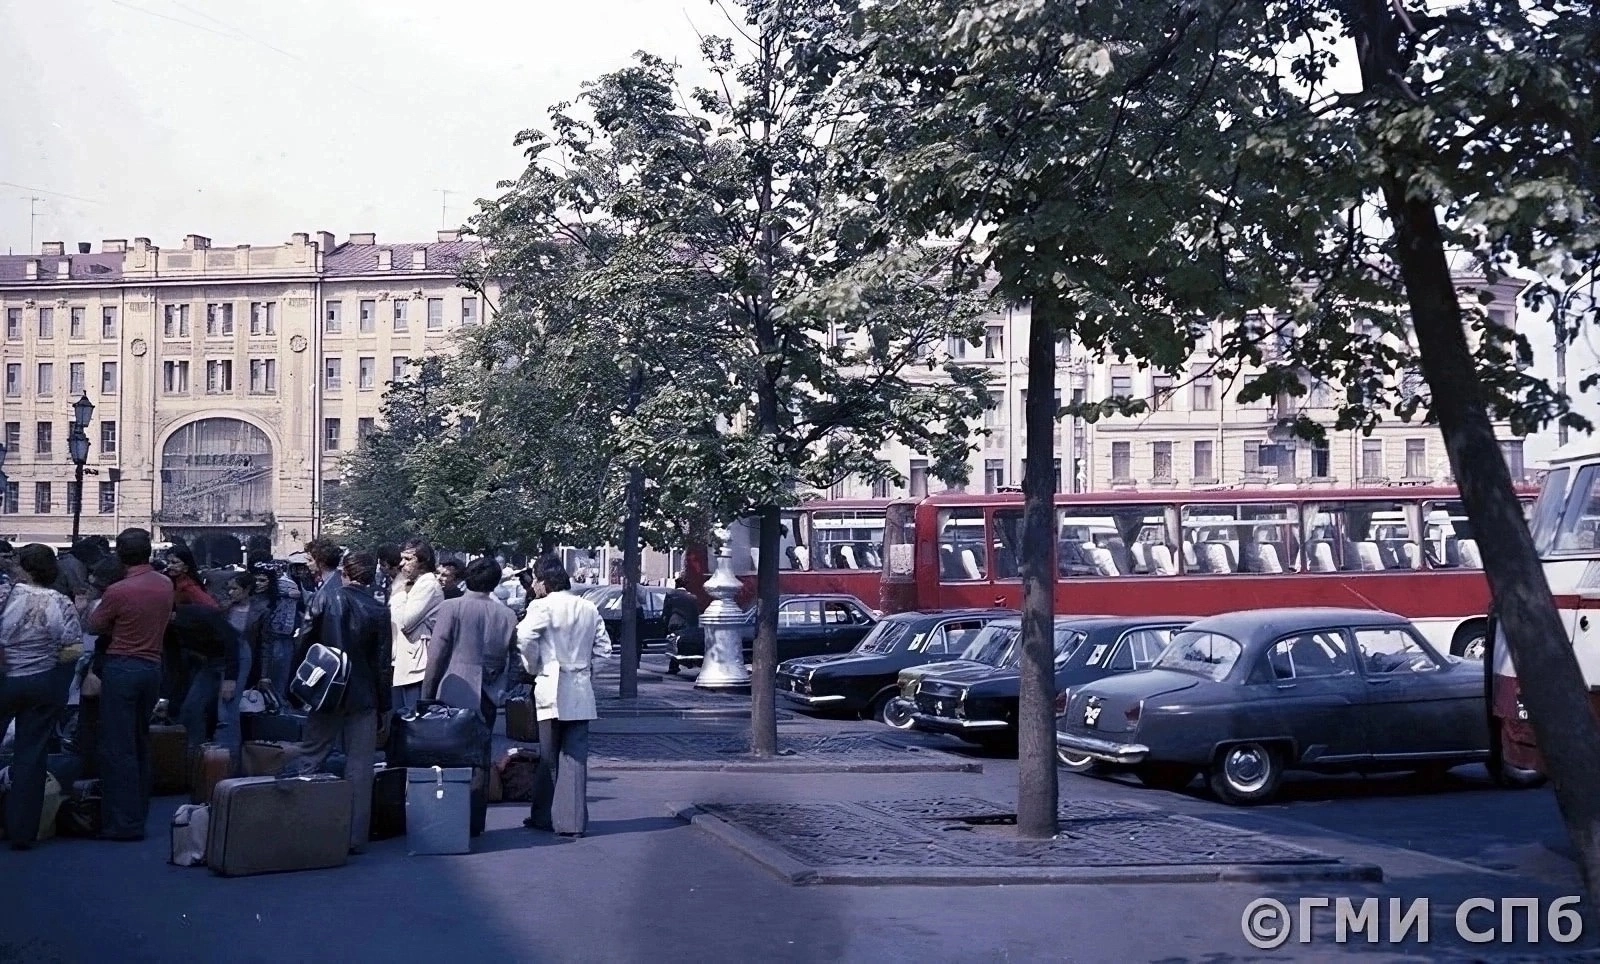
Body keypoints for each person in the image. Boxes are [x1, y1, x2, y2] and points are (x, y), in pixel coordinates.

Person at [292, 552, 391, 854]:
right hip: (362, 694)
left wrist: (296, 685)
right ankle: (354, 836)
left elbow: (304, 639)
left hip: (325, 689)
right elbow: (382, 665)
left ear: (345, 573)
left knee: (312, 754)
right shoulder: (378, 609)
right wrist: (384, 706)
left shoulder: (326, 597)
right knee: (360, 765)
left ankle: (301, 825)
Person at [86, 528, 174, 842]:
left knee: (118, 745)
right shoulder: (164, 584)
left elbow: (94, 626)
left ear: (120, 554)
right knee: (139, 739)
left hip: (122, 665)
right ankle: (137, 813)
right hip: (152, 665)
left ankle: (122, 821)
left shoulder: (118, 591)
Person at [517, 556, 612, 838]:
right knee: (576, 757)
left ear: (544, 582)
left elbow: (524, 637)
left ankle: (544, 815)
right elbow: (604, 649)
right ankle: (572, 821)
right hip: (580, 687)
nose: (533, 586)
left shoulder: (541, 606)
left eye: (535, 580)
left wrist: (533, 666)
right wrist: (588, 672)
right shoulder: (588, 607)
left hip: (551, 684)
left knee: (548, 757)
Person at [0, 545, 84, 849]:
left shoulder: (4, 595)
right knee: (31, 756)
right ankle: (22, 831)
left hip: (5, 678)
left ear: (24, 568)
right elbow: (73, 648)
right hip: (42, 682)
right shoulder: (61, 602)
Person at [422, 557, 516, 731]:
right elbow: (514, 659)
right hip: (490, 694)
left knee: (450, 743)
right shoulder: (508, 615)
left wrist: (427, 694)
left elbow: (436, 655)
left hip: (453, 690)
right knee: (482, 742)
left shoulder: (450, 607)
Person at [169, 603, 242, 755]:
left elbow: (230, 640)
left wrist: (230, 678)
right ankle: (194, 754)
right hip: (212, 660)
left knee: (227, 712)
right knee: (191, 707)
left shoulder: (196, 614)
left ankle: (228, 758)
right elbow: (175, 663)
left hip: (234, 655)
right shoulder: (171, 628)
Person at [387, 540, 442, 712]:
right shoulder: (416, 584)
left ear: (423, 562)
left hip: (416, 663)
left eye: (408, 559)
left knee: (412, 715)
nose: (402, 564)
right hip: (406, 659)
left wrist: (398, 592)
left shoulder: (428, 584)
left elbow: (405, 621)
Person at [250, 559, 303, 700]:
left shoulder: (281, 591)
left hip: (277, 641)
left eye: (262, 580)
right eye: (256, 580)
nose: (258, 583)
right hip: (257, 647)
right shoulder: (249, 599)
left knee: (276, 687)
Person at [304, 539, 345, 619]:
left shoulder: (331, 588)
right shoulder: (338, 579)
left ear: (321, 562)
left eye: (310, 560)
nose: (307, 564)